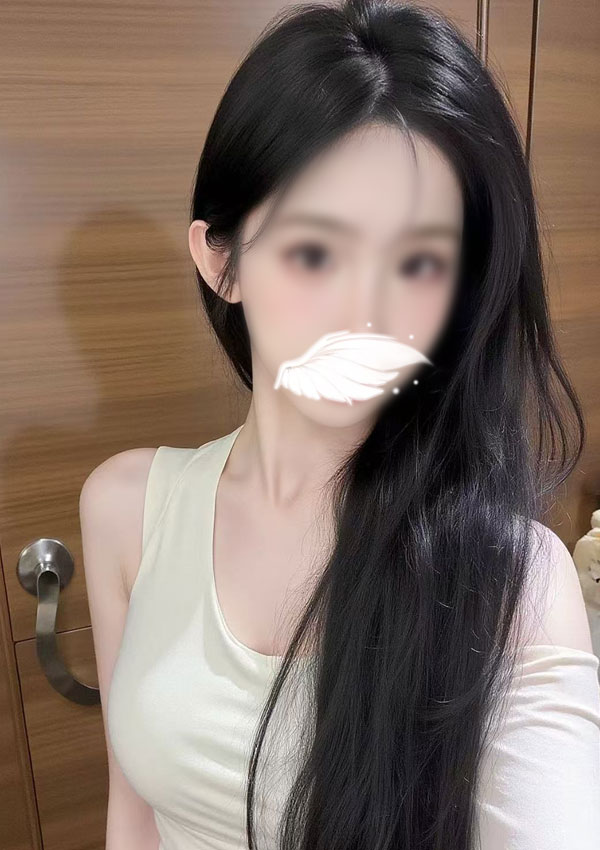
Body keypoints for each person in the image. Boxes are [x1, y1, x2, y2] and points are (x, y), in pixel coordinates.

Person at [80, 1, 600, 848]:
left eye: (420, 262)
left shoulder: (518, 583)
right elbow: (134, 815)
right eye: (315, 253)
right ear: (222, 261)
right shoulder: (126, 508)